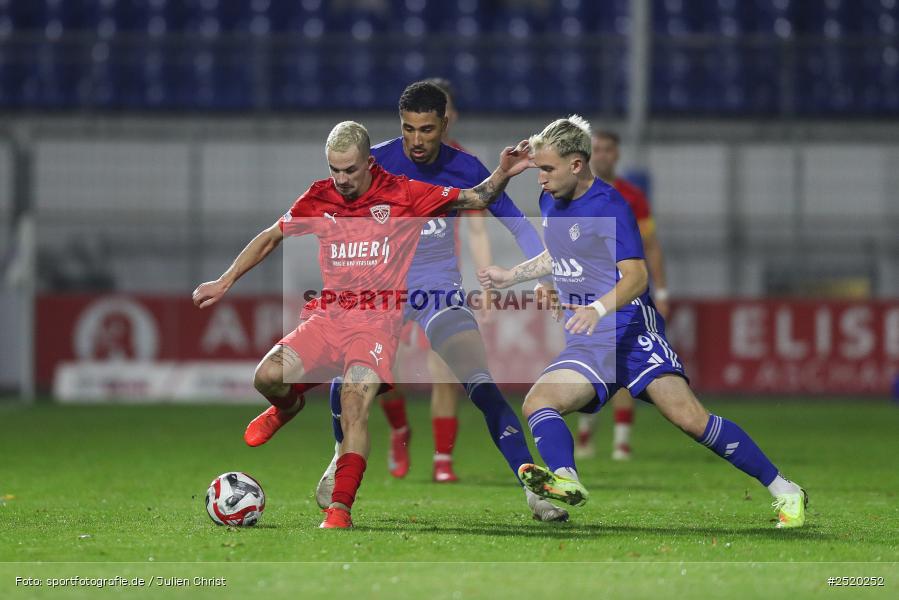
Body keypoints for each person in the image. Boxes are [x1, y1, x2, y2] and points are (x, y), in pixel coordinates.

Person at [248, 81, 567, 523]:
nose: (417, 140)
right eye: (409, 129)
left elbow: (516, 224)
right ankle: (340, 455)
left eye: (427, 130)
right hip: (380, 295)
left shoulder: (466, 167)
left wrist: (539, 277)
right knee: (349, 382)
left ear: (444, 124)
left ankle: (534, 489)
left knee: (478, 381)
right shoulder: (374, 162)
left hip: (436, 290)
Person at [193, 120, 534, 529]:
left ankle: (340, 510)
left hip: (376, 325)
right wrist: (224, 280)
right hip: (327, 316)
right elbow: (270, 237)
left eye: (350, 170)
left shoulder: (404, 194)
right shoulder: (319, 197)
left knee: (355, 405)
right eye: (334, 170)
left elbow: (477, 196)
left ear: (369, 163)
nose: (341, 179)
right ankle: (289, 403)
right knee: (266, 377)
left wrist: (502, 172)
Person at [477, 116, 808, 528]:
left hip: (632, 331)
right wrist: (516, 275)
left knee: (691, 420)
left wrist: (596, 309)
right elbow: (559, 253)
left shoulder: (611, 206)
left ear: (577, 164)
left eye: (547, 169)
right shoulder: (551, 200)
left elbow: (636, 277)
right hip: (590, 341)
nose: (540, 179)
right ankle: (567, 479)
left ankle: (785, 490)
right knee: (539, 402)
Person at [573, 129, 672, 461]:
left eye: (607, 150)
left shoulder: (632, 196)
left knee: (623, 365)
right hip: (587, 291)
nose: (601, 155)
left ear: (616, 154)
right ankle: (585, 438)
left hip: (624, 292)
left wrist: (662, 289)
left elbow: (652, 246)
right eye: (596, 149)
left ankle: (621, 442)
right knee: (589, 364)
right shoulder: (573, 193)